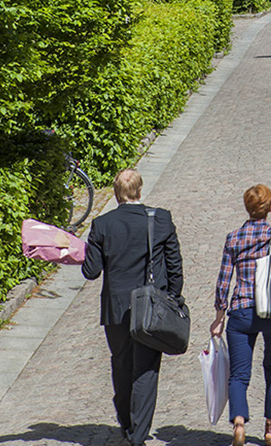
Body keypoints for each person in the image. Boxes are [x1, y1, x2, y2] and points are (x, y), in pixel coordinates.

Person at [82, 169, 183, 446]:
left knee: (121, 365)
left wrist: (85, 248)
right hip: (150, 308)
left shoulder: (102, 224)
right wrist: (175, 299)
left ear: (116, 193)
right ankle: (137, 436)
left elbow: (91, 272)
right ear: (140, 189)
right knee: (146, 370)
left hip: (116, 310)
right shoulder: (160, 219)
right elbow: (175, 266)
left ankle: (126, 423)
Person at [211, 184, 271, 446]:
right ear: (269, 207)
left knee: (239, 374)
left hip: (241, 312)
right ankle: (269, 428)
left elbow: (223, 282)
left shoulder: (233, 238)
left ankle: (239, 424)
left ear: (247, 207)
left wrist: (219, 317)